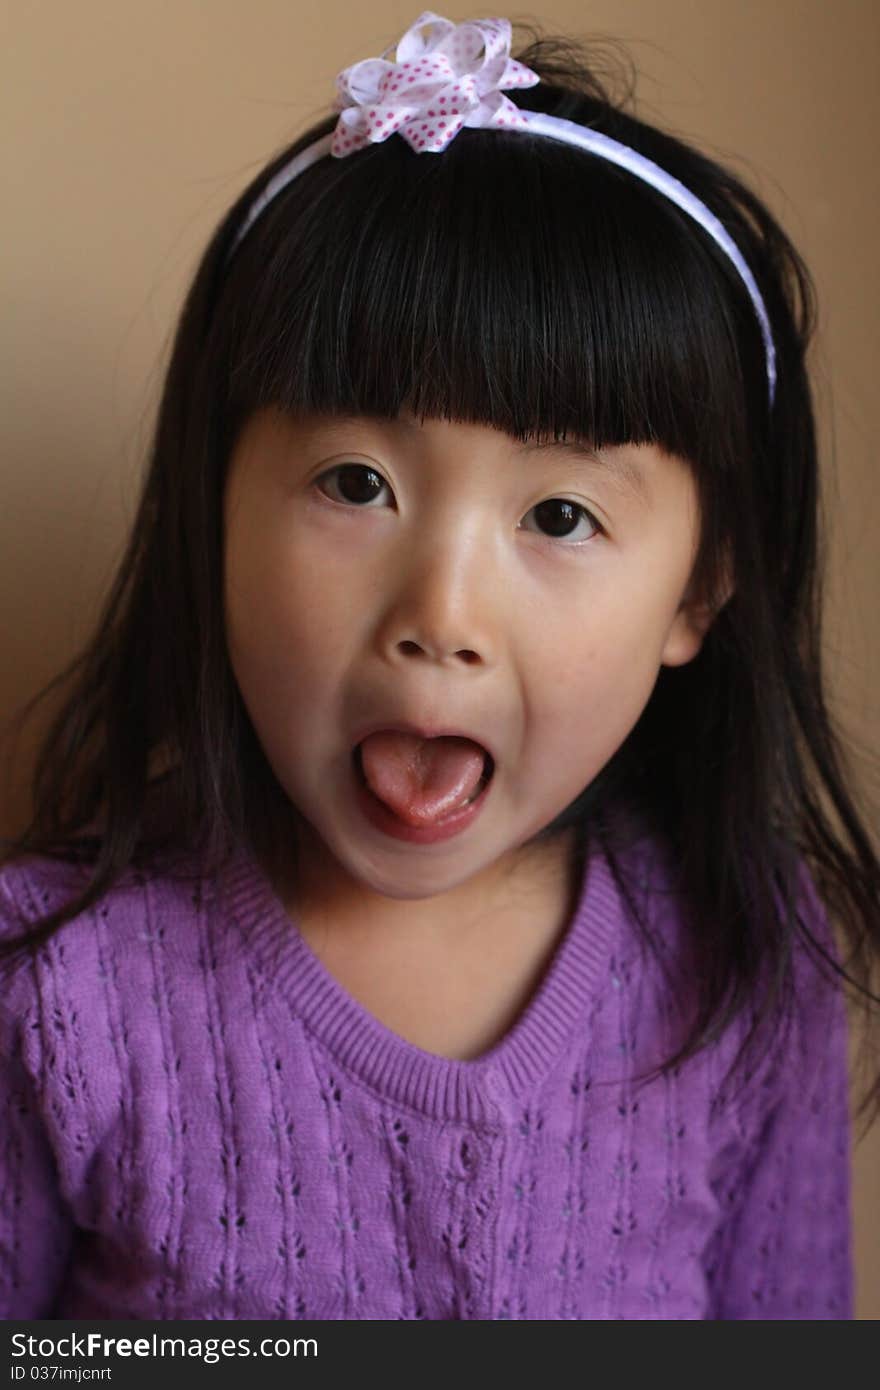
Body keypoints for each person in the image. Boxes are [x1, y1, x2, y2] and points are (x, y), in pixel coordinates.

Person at [1, 10, 877, 1321]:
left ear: (698, 590)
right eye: (357, 483)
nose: (441, 612)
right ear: (214, 515)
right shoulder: (53, 978)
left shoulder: (745, 961)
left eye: (561, 517)